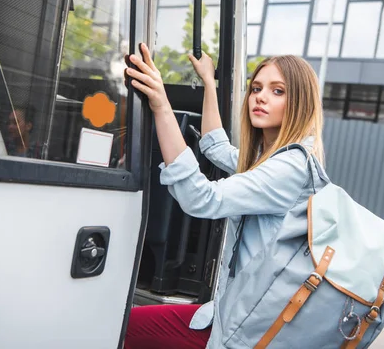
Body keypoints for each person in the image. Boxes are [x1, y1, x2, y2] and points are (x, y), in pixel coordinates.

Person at [123, 43, 328, 348]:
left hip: (248, 331)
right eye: (256, 88)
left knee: (124, 329)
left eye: (278, 91)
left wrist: (161, 105)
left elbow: (202, 198)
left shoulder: (291, 168)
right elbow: (216, 147)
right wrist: (209, 81)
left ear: (301, 102)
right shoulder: (270, 158)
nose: (260, 96)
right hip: (232, 318)